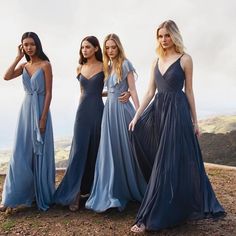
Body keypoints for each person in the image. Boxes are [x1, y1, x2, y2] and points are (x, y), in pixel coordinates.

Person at [129, 20, 225, 233]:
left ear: (175, 36)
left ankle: (151, 217)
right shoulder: (155, 61)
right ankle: (176, 206)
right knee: (164, 160)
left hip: (178, 113)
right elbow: (149, 92)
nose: (164, 40)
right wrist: (137, 116)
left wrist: (195, 121)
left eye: (167, 35)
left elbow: (189, 91)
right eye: (160, 36)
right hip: (159, 112)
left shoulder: (185, 59)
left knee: (167, 162)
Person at [54, 36, 130, 211]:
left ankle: (95, 191)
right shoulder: (80, 67)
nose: (84, 50)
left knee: (96, 149)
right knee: (79, 151)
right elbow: (84, 91)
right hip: (82, 113)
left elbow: (115, 85)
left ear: (96, 48)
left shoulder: (106, 67)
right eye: (82, 48)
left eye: (88, 47)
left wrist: (125, 93)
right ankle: (74, 192)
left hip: (98, 111)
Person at [85, 33, 147, 213]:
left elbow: (133, 91)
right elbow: (110, 90)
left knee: (124, 150)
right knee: (110, 151)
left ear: (118, 47)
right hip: (108, 112)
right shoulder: (108, 66)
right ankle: (111, 191)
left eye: (113, 47)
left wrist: (138, 114)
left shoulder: (125, 64)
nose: (110, 50)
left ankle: (127, 189)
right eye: (108, 47)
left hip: (122, 111)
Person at [0, 32, 55, 212]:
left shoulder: (45, 65)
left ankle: (37, 193)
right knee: (20, 152)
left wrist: (44, 117)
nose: (29, 47)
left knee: (39, 154)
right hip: (25, 111)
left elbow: (48, 93)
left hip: (40, 109)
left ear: (37, 45)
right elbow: (6, 76)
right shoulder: (24, 66)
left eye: (31, 44)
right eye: (25, 45)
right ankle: (11, 197)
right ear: (22, 47)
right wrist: (17, 57)